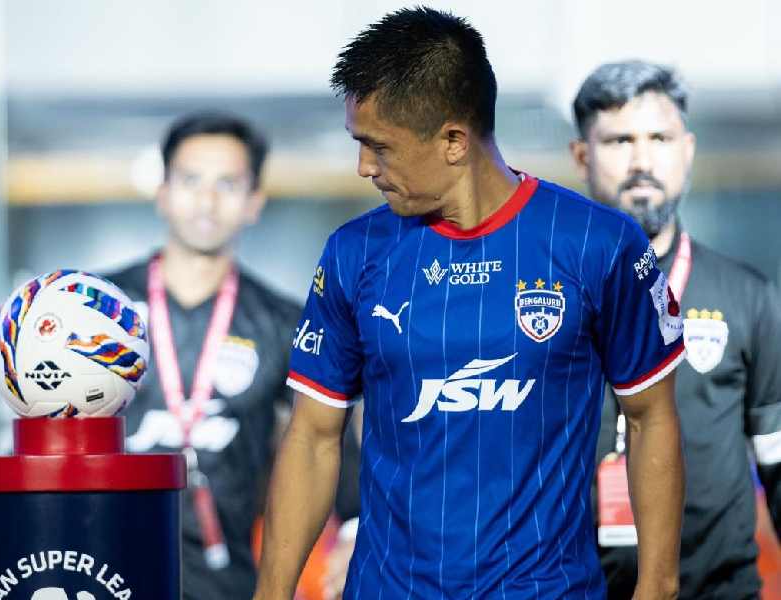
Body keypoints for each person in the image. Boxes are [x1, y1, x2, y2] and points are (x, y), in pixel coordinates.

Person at [255, 7, 686, 599]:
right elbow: (312, 436)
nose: (363, 167)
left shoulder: (598, 243)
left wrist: (657, 587)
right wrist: (271, 594)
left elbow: (651, 416)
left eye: (379, 147)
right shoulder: (353, 252)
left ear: (454, 141)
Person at [571, 60, 781, 599]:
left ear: (686, 150)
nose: (642, 160)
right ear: (581, 156)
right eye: (619, 140)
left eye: (659, 138)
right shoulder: (537, 299)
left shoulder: (749, 296)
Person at [106, 112, 304, 600]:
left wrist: (352, 529)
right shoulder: (96, 307)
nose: (207, 200)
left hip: (228, 580)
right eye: (190, 180)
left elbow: (325, 442)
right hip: (98, 568)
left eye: (228, 183)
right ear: (163, 192)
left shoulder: (284, 322)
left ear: (255, 202)